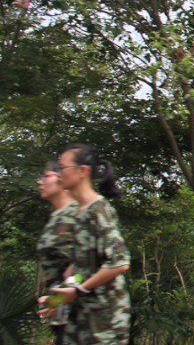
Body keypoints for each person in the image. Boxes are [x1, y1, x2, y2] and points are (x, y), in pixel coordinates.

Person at [40, 144, 130, 343]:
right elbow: (82, 271)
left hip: (106, 322)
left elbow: (119, 261)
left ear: (83, 171)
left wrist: (78, 290)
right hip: (82, 319)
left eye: (62, 168)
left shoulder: (98, 210)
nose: (59, 173)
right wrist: (58, 298)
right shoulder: (80, 213)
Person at [36, 160, 78, 345]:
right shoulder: (58, 217)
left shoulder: (76, 215)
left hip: (82, 319)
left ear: (62, 179)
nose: (39, 181)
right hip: (65, 320)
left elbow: (87, 266)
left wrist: (58, 298)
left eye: (46, 176)